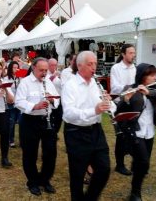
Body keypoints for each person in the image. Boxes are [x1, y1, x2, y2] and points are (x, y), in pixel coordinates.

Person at [62, 51, 115, 201]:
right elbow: (69, 113)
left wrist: (109, 103)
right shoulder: (70, 85)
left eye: (95, 64)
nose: (94, 67)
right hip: (76, 132)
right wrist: (94, 110)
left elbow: (110, 106)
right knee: (78, 175)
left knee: (104, 169)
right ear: (79, 65)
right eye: (90, 64)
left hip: (96, 131)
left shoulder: (96, 83)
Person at [115, 63, 156, 200]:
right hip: (135, 130)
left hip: (149, 131)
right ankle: (135, 193)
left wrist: (149, 92)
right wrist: (126, 99)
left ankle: (136, 178)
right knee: (143, 162)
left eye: (154, 75)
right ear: (142, 76)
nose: (154, 77)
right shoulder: (130, 88)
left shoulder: (154, 90)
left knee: (144, 163)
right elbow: (117, 109)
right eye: (151, 75)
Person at [15, 57, 59, 196]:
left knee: (50, 153)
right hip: (29, 121)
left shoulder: (48, 82)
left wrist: (52, 100)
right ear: (33, 68)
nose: (44, 73)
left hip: (46, 119)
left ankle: (45, 180)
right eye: (41, 70)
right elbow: (18, 102)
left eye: (46, 70)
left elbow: (57, 98)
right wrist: (35, 106)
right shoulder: (25, 83)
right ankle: (32, 182)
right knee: (30, 153)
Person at [110, 44, 137, 175]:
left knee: (133, 133)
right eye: (131, 53)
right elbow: (115, 88)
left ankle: (135, 160)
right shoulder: (116, 68)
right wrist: (131, 87)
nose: (133, 55)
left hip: (132, 103)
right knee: (121, 135)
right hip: (120, 105)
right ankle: (119, 164)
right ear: (123, 54)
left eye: (134, 53)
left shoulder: (134, 68)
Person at [5, 61, 21, 148]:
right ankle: (10, 140)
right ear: (10, 68)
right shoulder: (6, 78)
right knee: (11, 123)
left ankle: (22, 140)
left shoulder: (20, 78)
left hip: (19, 103)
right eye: (14, 67)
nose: (16, 69)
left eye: (17, 67)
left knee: (21, 122)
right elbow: (7, 90)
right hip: (11, 103)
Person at [47, 58, 63, 133]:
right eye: (52, 65)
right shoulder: (46, 73)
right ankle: (52, 133)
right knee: (51, 117)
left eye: (55, 65)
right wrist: (54, 75)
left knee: (60, 117)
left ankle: (55, 132)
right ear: (48, 65)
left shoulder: (58, 73)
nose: (54, 67)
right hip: (51, 99)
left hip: (59, 98)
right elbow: (47, 81)